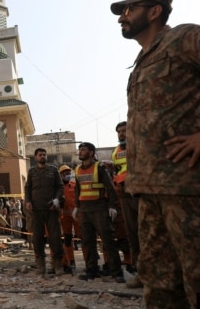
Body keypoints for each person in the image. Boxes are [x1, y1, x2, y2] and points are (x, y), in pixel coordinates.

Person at [111, 0, 200, 308]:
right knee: (159, 284)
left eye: (129, 9)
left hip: (193, 188)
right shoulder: (141, 62)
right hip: (150, 191)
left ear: (154, 11)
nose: (122, 17)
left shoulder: (184, 39)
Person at [72, 142, 124, 283]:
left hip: (100, 208)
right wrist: (77, 206)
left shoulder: (99, 167)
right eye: (80, 149)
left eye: (83, 150)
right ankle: (92, 271)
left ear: (91, 152)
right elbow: (78, 189)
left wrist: (112, 206)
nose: (80, 152)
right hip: (85, 209)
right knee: (87, 242)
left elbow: (110, 187)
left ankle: (117, 272)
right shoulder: (77, 170)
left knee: (108, 241)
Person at [24, 148, 66, 275]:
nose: (43, 156)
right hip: (36, 210)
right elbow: (28, 187)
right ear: (35, 157)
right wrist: (28, 201)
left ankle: (57, 265)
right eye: (40, 155)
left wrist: (57, 200)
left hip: (51, 209)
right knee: (37, 238)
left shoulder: (53, 170)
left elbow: (60, 186)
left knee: (55, 238)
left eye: (44, 154)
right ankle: (40, 265)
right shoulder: (32, 171)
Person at [111, 121, 140, 276]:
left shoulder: (139, 145)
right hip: (124, 194)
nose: (121, 134)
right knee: (131, 232)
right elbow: (118, 171)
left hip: (140, 191)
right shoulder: (115, 152)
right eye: (119, 131)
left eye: (124, 130)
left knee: (145, 229)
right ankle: (138, 269)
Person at [58, 164, 79, 272]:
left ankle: (89, 262)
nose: (68, 175)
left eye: (69, 173)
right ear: (61, 175)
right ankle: (71, 261)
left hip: (77, 215)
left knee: (83, 238)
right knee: (67, 239)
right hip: (65, 216)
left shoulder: (74, 185)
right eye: (66, 173)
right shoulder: (58, 188)